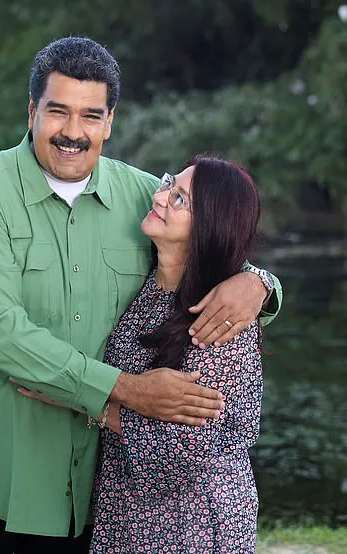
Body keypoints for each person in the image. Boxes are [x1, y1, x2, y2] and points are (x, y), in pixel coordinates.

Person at [0, 37, 282, 553]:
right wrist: (126, 390)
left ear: (109, 122)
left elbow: (214, 238)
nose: (73, 132)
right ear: (32, 111)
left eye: (90, 115)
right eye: (58, 111)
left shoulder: (143, 196)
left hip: (83, 500)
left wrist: (259, 283)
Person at [89, 157, 266, 553]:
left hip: (192, 523)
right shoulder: (148, 288)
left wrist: (82, 400)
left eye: (181, 199)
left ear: (209, 228)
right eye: (170, 184)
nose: (161, 197)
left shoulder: (219, 319)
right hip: (126, 509)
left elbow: (187, 447)